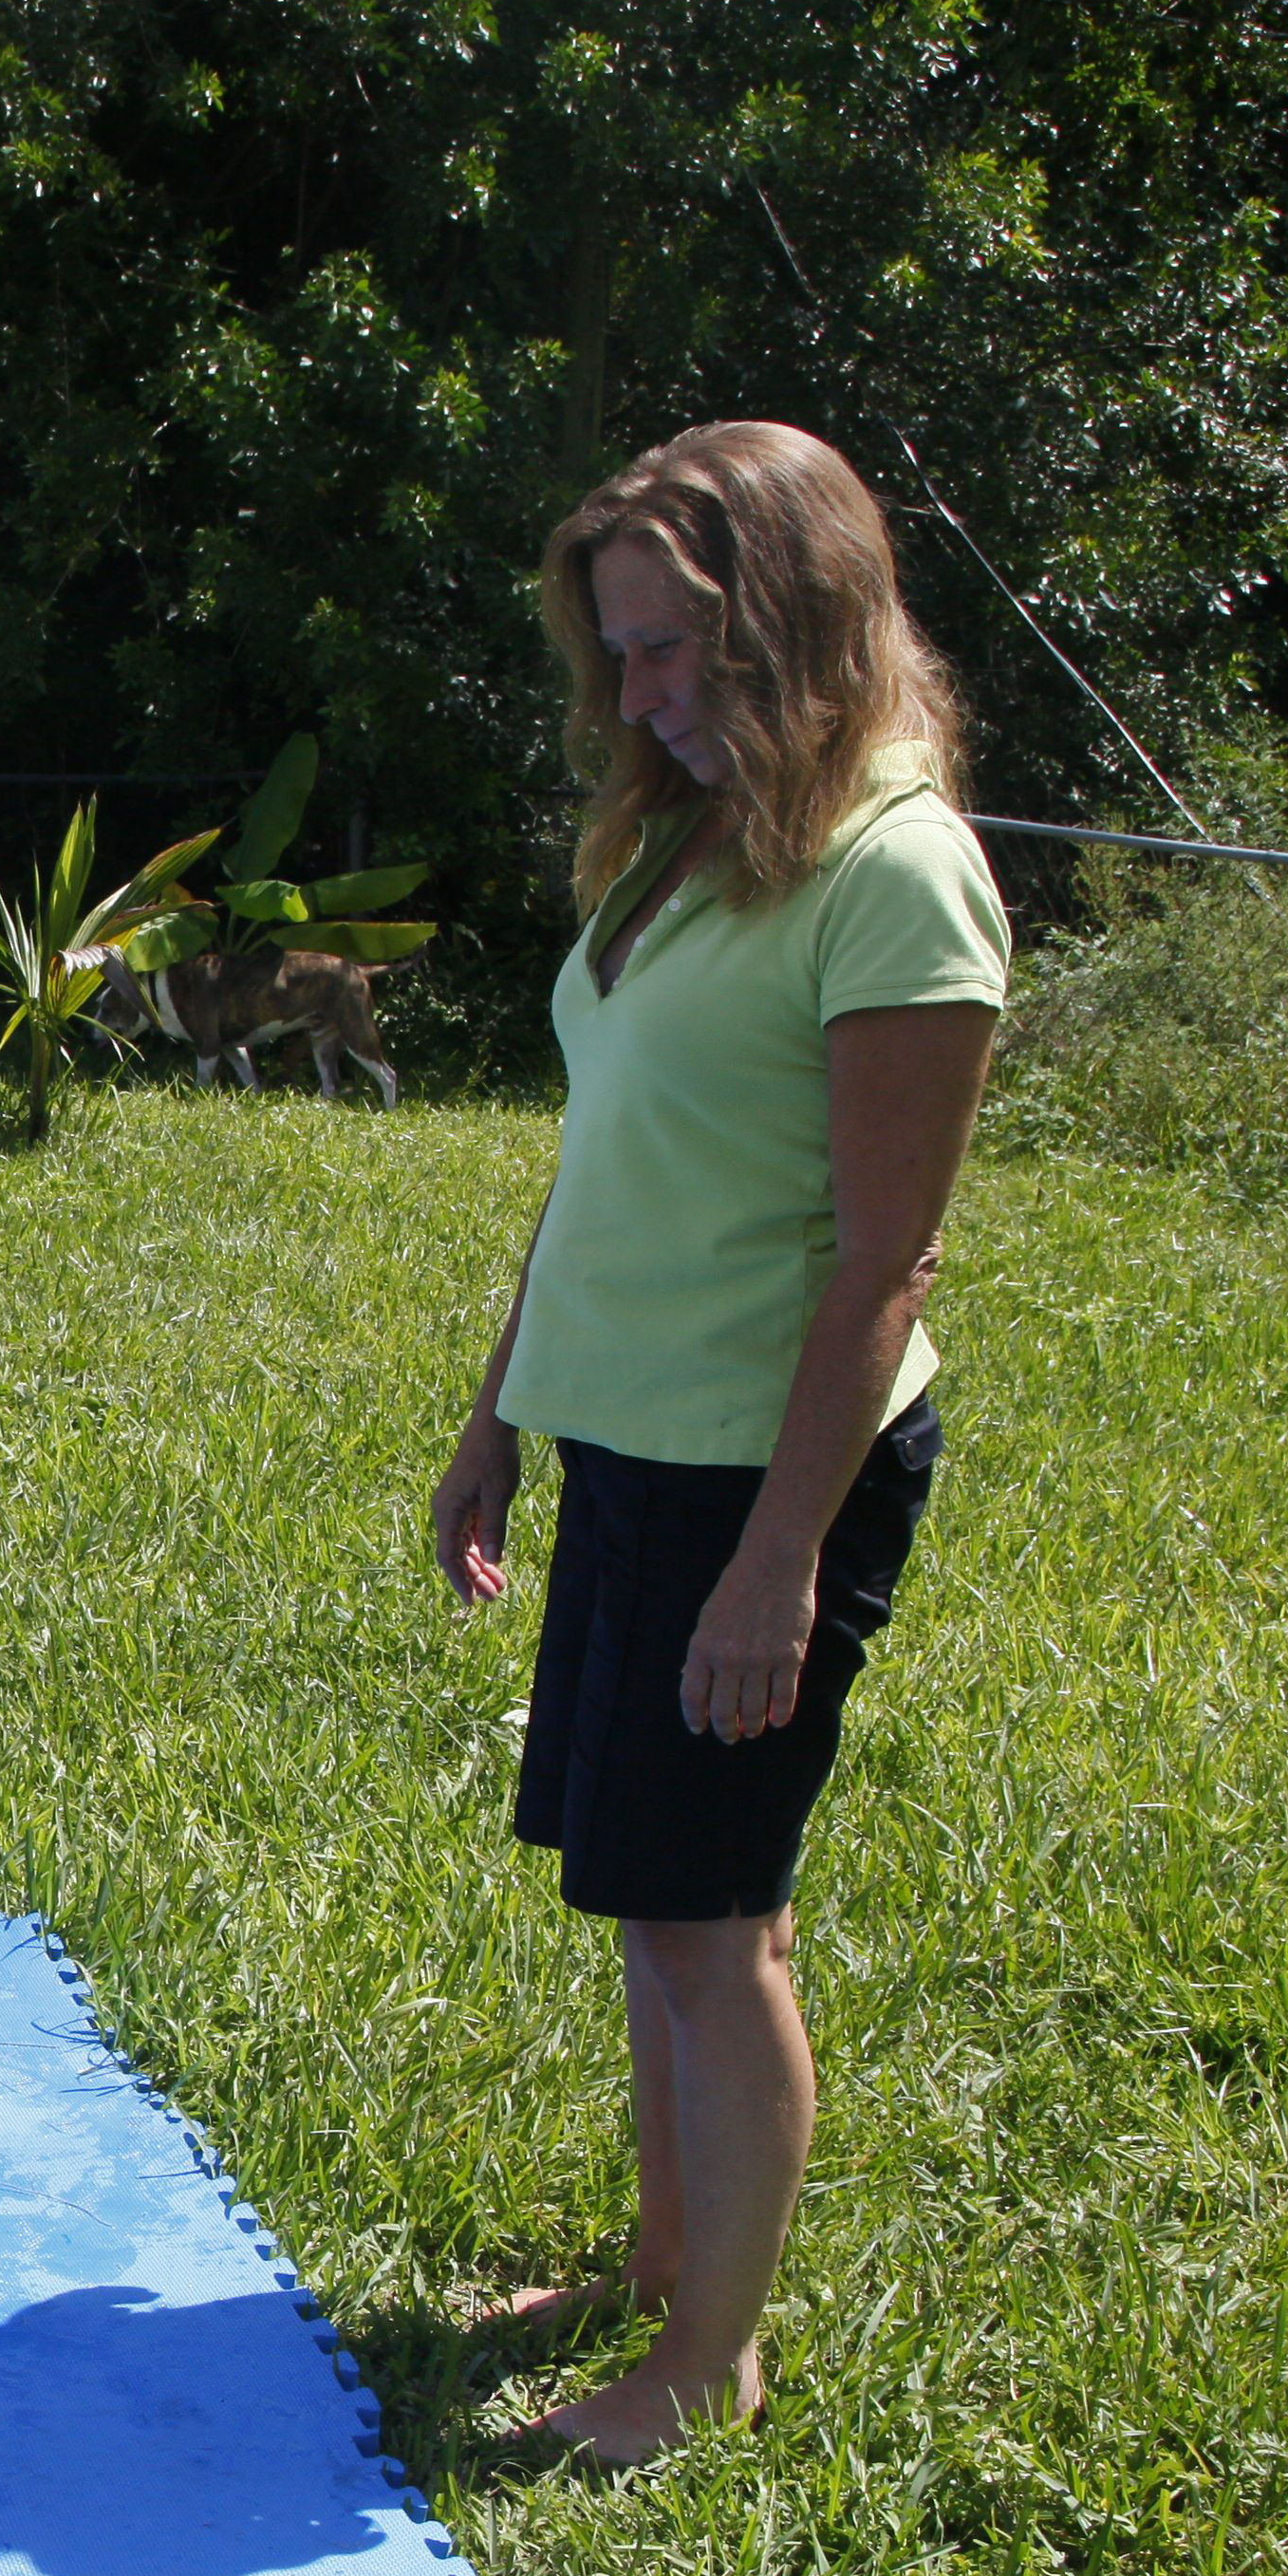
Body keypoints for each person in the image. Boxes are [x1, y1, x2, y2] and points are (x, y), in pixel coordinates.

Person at [428, 420, 1010, 2472]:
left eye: (675, 655)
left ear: (801, 625)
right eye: (622, 657)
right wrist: (502, 1413)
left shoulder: (897, 871)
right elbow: (617, 1167)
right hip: (632, 1445)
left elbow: (884, 1261)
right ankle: (665, 2268)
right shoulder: (691, 832)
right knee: (653, 1899)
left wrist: (782, 1557)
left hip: (771, 1474)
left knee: (708, 1919)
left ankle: (710, 2366)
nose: (640, 698)